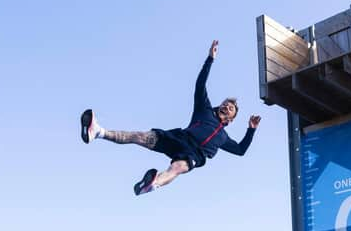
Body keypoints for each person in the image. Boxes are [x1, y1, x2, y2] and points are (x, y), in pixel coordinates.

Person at [80, 40, 261, 195]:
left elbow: (240, 150)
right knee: (139, 136)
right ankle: (98, 132)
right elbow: (200, 84)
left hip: (194, 154)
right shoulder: (204, 109)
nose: (226, 107)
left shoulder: (223, 138)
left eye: (230, 109)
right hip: (179, 137)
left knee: (178, 167)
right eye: (225, 104)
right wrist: (210, 59)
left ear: (230, 119)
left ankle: (153, 184)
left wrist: (251, 130)